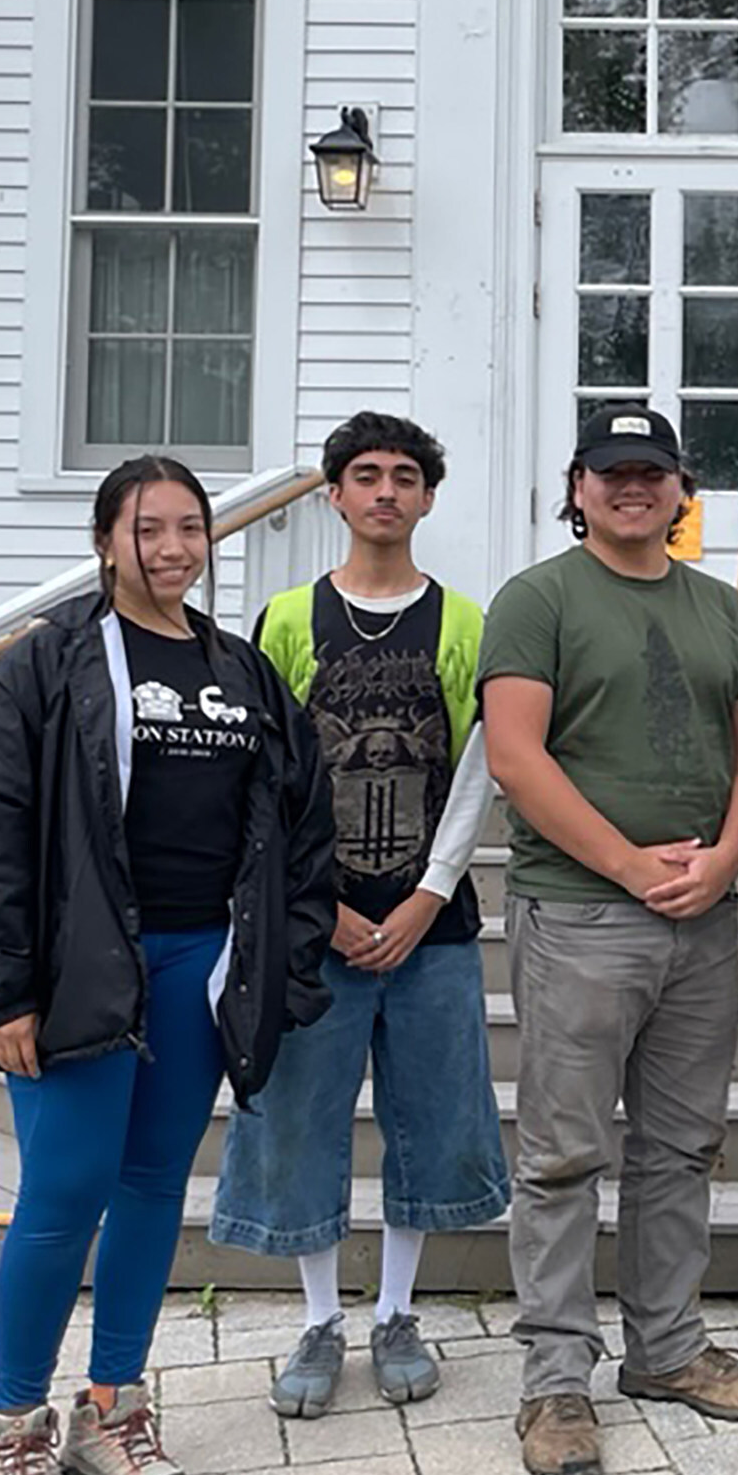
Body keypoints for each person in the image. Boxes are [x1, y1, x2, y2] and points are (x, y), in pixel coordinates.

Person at [0, 455, 334, 1475]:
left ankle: (113, 1406)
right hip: (79, 970)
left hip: (198, 969)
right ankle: (14, 1421)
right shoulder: (48, 666)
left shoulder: (241, 672)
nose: (172, 549)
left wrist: (278, 968)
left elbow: (300, 831)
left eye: (189, 529)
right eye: (147, 529)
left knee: (155, 1186)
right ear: (107, 540)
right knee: (64, 1192)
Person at [479, 402, 738, 1475]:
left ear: (681, 489)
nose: (633, 487)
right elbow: (516, 757)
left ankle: (666, 1349)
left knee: (680, 1147)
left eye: (653, 471)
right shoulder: (538, 600)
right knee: (563, 1155)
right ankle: (556, 1380)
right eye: (612, 473)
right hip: (582, 914)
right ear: (578, 488)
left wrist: (726, 859)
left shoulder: (721, 609)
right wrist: (628, 863)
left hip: (699, 917)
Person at [210, 413, 511, 1418]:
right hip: (313, 929)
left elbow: (479, 768)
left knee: (430, 1119)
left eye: (406, 477)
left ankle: (394, 1310)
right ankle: (318, 1320)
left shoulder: (467, 625)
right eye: (366, 476)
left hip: (432, 927)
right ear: (333, 495)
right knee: (301, 1119)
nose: (386, 491)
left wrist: (430, 894)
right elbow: (265, 777)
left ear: (429, 497)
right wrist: (317, 905)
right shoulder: (289, 620)